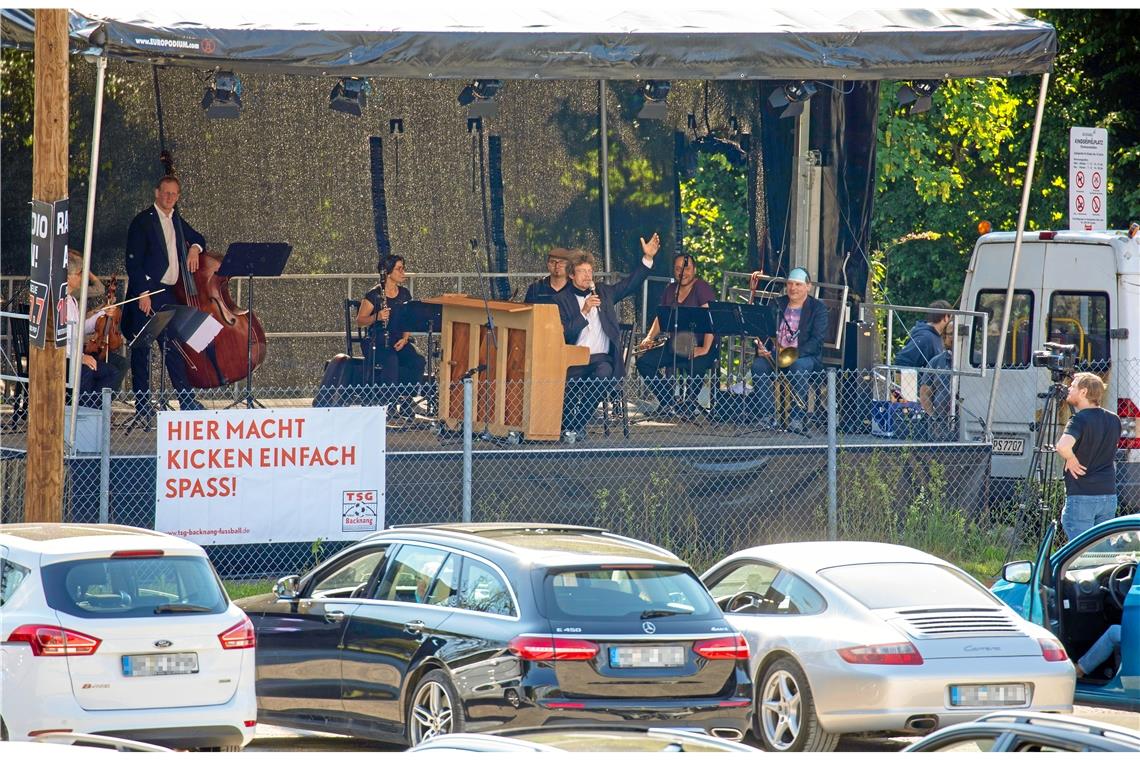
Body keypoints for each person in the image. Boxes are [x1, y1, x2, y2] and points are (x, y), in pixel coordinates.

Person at [553, 233, 661, 436]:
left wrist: (647, 259)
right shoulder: (561, 300)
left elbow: (630, 284)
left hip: (602, 358)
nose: (587, 275)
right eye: (582, 271)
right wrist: (584, 311)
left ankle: (577, 427)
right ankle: (567, 425)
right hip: (572, 360)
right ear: (571, 275)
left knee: (603, 375)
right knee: (561, 386)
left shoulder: (604, 292)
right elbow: (565, 333)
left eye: (590, 271)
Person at [122, 175, 204, 413]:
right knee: (142, 349)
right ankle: (143, 406)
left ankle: (186, 400)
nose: (169, 197)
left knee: (173, 346)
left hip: (167, 294)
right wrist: (143, 293)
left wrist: (194, 250)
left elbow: (198, 238)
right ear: (156, 193)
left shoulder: (176, 219)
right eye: (166, 193)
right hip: (147, 292)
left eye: (174, 194)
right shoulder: (143, 221)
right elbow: (133, 262)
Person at [635, 253, 717, 418]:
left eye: (686, 268)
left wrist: (704, 348)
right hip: (676, 346)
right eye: (678, 269)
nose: (682, 273)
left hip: (701, 346)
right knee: (644, 362)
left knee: (696, 366)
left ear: (694, 269)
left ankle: (689, 405)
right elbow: (661, 317)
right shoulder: (671, 289)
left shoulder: (701, 287)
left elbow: (710, 319)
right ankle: (668, 401)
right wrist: (649, 338)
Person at [749, 267, 829, 433]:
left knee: (798, 367)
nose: (793, 288)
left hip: (805, 356)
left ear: (808, 286)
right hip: (776, 354)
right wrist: (761, 348)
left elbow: (817, 341)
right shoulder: (777, 304)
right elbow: (764, 331)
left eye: (798, 284)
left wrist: (793, 354)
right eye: (790, 284)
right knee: (758, 366)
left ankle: (797, 417)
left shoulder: (818, 308)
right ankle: (767, 416)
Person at [357, 255, 426, 418]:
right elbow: (360, 321)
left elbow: (409, 320)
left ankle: (406, 399)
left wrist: (404, 338)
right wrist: (377, 317)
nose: (403, 272)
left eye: (403, 268)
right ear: (388, 273)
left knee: (418, 360)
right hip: (377, 341)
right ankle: (389, 403)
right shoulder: (374, 295)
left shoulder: (404, 294)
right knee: (391, 360)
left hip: (398, 340)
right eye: (399, 268)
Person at [1056, 372, 1122, 539]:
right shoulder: (1114, 419)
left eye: (1073, 386)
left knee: (1080, 551)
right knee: (1103, 549)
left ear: (1084, 392)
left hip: (1082, 495)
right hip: (1108, 494)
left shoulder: (1079, 419)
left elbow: (1063, 446)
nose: (1068, 389)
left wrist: (1070, 458)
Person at [64, 253, 123, 401]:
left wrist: (104, 313)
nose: (83, 277)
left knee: (113, 371)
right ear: (68, 277)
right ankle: (83, 410)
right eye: (79, 273)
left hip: (74, 356)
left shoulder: (71, 300)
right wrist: (80, 357)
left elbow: (79, 329)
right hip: (64, 358)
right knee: (90, 371)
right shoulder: (60, 302)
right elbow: (61, 338)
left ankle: (92, 413)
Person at [896, 300, 952, 371]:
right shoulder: (925, 337)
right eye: (950, 318)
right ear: (945, 317)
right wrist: (912, 381)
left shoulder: (935, 336)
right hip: (922, 381)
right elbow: (902, 361)